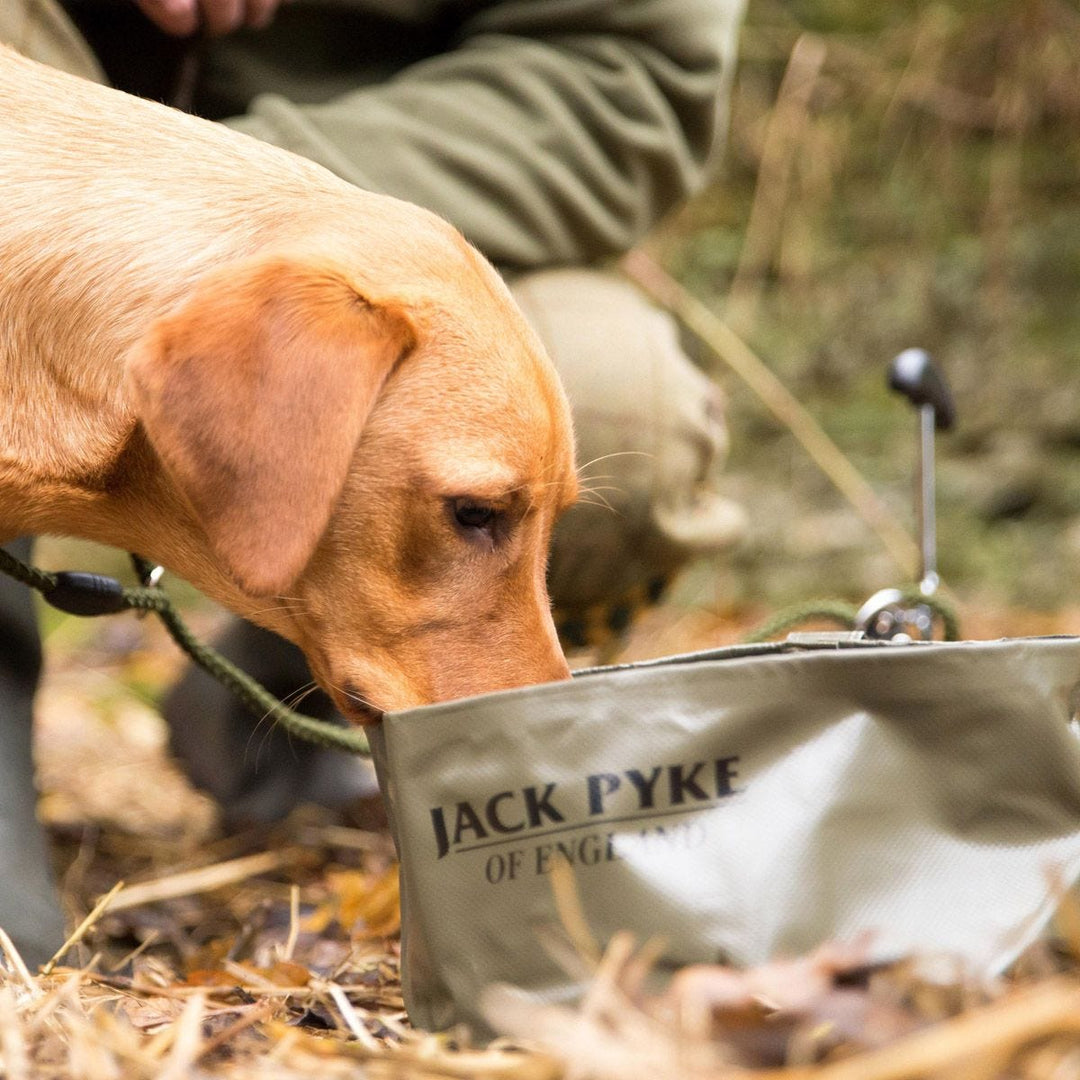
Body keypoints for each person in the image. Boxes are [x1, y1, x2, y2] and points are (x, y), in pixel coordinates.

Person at [0, 0, 746, 966]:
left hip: (360, 183)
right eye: (476, 518)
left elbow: (631, 75)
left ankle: (275, 726)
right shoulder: (268, 353)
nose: (535, 695)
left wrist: (276, 213)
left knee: (623, 397)